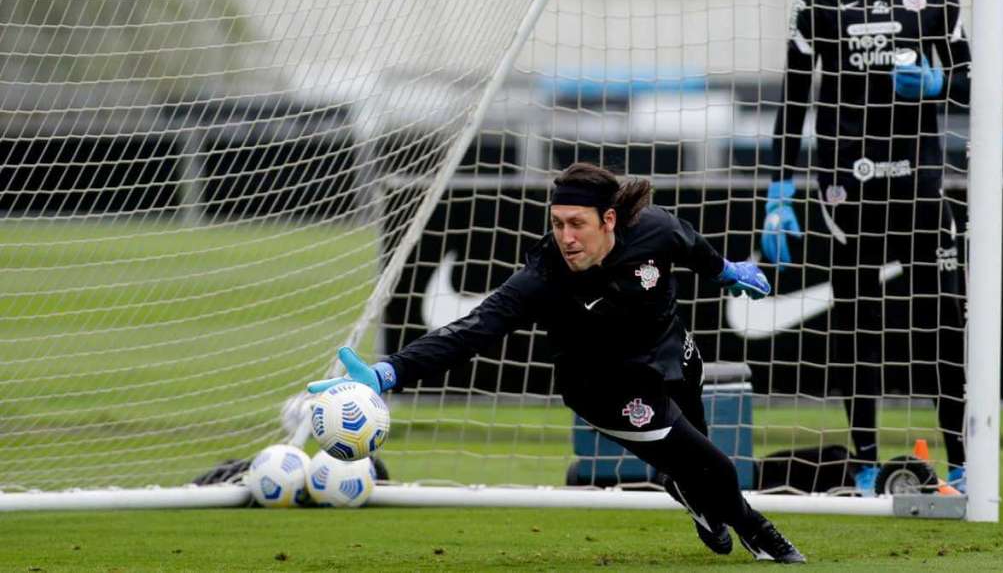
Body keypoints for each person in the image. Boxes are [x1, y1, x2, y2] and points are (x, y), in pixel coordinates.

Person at [311, 162, 806, 564]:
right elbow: (471, 331)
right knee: (713, 466)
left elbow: (692, 247)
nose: (566, 237)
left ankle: (690, 493)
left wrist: (726, 272)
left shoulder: (654, 229)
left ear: (609, 220)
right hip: (605, 387)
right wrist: (386, 372)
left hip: (671, 351)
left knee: (691, 462)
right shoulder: (542, 277)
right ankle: (761, 536)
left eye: (577, 224)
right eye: (557, 223)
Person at [763, 0, 970, 496]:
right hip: (845, 185)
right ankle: (864, 460)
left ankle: (959, 457)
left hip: (920, 183)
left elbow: (967, 72)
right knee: (857, 327)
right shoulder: (817, 0)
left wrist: (934, 82)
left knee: (943, 323)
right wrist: (780, 190)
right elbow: (792, 98)